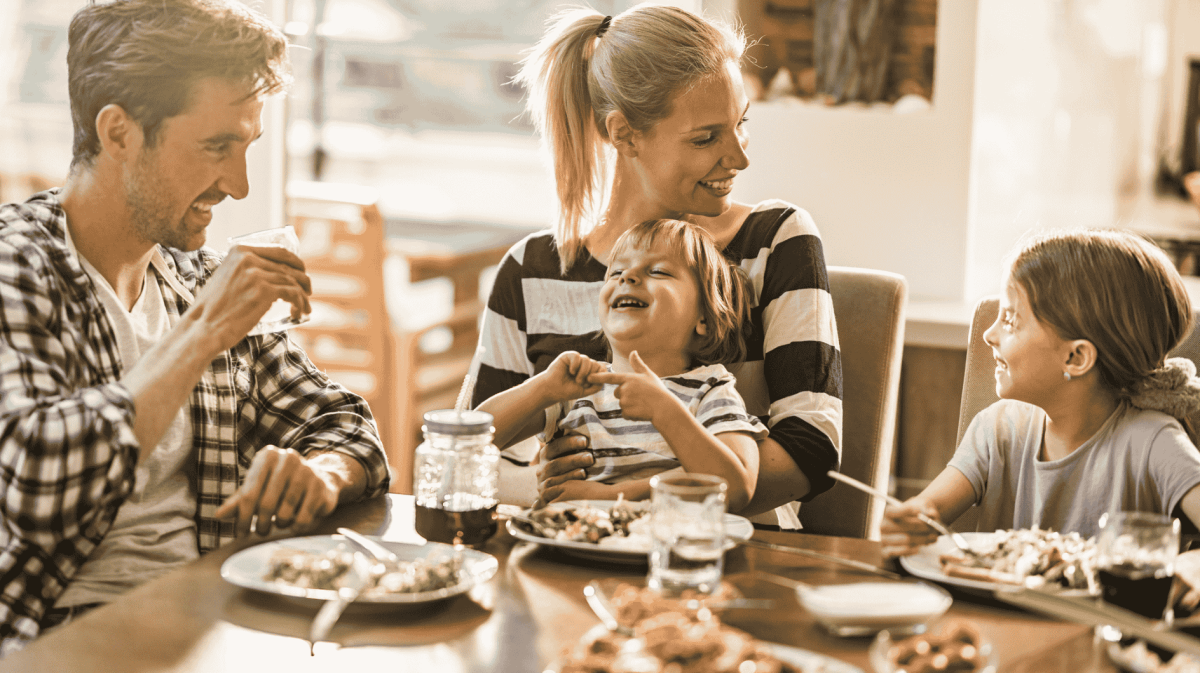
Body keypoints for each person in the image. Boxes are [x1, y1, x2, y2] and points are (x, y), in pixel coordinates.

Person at [0, 0, 390, 653]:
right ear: (118, 132)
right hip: (61, 636)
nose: (238, 185)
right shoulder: (18, 267)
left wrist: (319, 474)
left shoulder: (198, 277)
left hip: (210, 613)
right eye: (217, 146)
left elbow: (346, 425)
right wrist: (204, 332)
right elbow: (34, 486)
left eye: (247, 148)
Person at [471, 5, 841, 526]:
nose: (738, 157)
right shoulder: (530, 270)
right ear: (624, 135)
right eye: (705, 137)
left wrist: (612, 494)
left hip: (727, 554)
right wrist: (542, 485)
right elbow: (467, 453)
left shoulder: (776, 240)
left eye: (741, 124)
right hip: (573, 553)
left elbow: (812, 448)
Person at [881, 229, 1200, 557]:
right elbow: (927, 511)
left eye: (1010, 321)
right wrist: (908, 523)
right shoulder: (997, 429)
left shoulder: (1153, 441)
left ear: (1075, 358)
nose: (989, 335)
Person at [478, 219, 767, 511]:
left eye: (658, 271)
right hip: (570, 549)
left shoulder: (710, 389)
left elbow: (737, 487)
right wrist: (541, 388)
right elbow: (472, 440)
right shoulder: (577, 388)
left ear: (703, 317)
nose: (627, 276)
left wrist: (664, 411)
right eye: (616, 272)